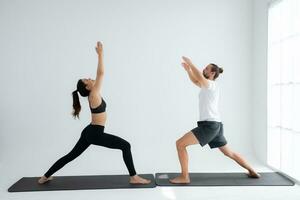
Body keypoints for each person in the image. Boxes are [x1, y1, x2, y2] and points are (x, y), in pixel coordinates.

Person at [38, 42, 150, 185]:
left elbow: (98, 76)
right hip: (95, 133)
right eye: (87, 80)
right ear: (87, 87)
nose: (90, 78)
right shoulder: (94, 94)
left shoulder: (94, 93)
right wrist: (101, 55)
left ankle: (45, 176)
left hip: (90, 131)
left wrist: (99, 59)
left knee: (71, 156)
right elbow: (101, 73)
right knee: (125, 146)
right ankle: (134, 177)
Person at [170, 56, 260, 184]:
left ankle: (185, 177)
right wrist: (188, 70)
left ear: (212, 73)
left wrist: (191, 63)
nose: (204, 69)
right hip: (215, 125)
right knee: (229, 153)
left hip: (209, 126)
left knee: (180, 144)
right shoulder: (207, 86)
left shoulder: (211, 84)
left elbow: (199, 78)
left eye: (206, 69)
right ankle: (252, 170)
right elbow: (195, 81)